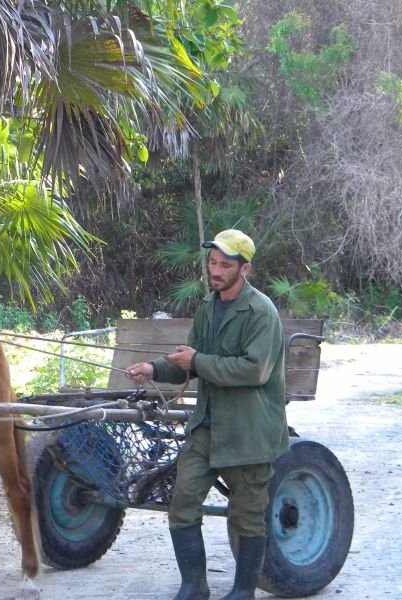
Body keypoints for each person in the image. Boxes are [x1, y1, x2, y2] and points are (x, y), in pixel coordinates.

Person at [126, 229, 289, 600]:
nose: (215, 271)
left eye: (224, 265)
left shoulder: (261, 312)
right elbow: (190, 363)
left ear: (244, 269)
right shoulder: (207, 308)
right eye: (212, 263)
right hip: (207, 427)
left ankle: (242, 592)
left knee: (246, 516)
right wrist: (153, 369)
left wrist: (196, 360)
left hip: (250, 432)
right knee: (182, 505)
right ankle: (194, 586)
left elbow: (254, 371)